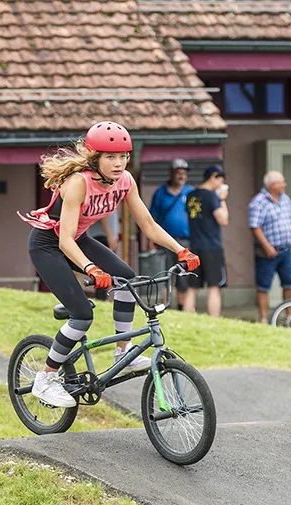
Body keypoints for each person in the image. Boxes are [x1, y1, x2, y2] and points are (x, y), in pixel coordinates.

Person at [18, 121, 200, 408]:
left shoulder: (126, 181)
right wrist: (91, 269)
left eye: (124, 156)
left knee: (128, 279)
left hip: (78, 240)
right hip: (48, 245)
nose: (119, 163)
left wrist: (181, 250)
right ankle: (46, 379)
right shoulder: (78, 182)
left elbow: (149, 225)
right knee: (82, 316)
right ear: (95, 157)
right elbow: (64, 240)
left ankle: (122, 352)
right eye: (110, 157)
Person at [249, 170, 291, 323]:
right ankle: (264, 318)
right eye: (282, 182)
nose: (285, 185)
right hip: (267, 253)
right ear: (272, 185)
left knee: (288, 284)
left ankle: (289, 315)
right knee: (264, 286)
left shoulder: (285, 199)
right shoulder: (258, 202)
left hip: (285, 250)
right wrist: (267, 246)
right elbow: (255, 227)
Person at [184, 165, 229, 317]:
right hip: (212, 247)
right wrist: (222, 199)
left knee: (192, 287)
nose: (221, 185)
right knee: (214, 287)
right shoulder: (212, 196)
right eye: (221, 180)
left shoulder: (191, 195)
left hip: (194, 246)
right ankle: (214, 320)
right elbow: (223, 220)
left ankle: (187, 319)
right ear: (213, 177)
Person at [149, 158, 193, 309]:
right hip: (165, 241)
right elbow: (151, 218)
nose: (181, 176)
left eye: (184, 173)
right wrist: (151, 240)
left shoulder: (190, 192)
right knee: (165, 274)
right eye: (178, 173)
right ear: (171, 174)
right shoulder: (160, 192)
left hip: (186, 241)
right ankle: (165, 306)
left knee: (183, 276)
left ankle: (181, 308)